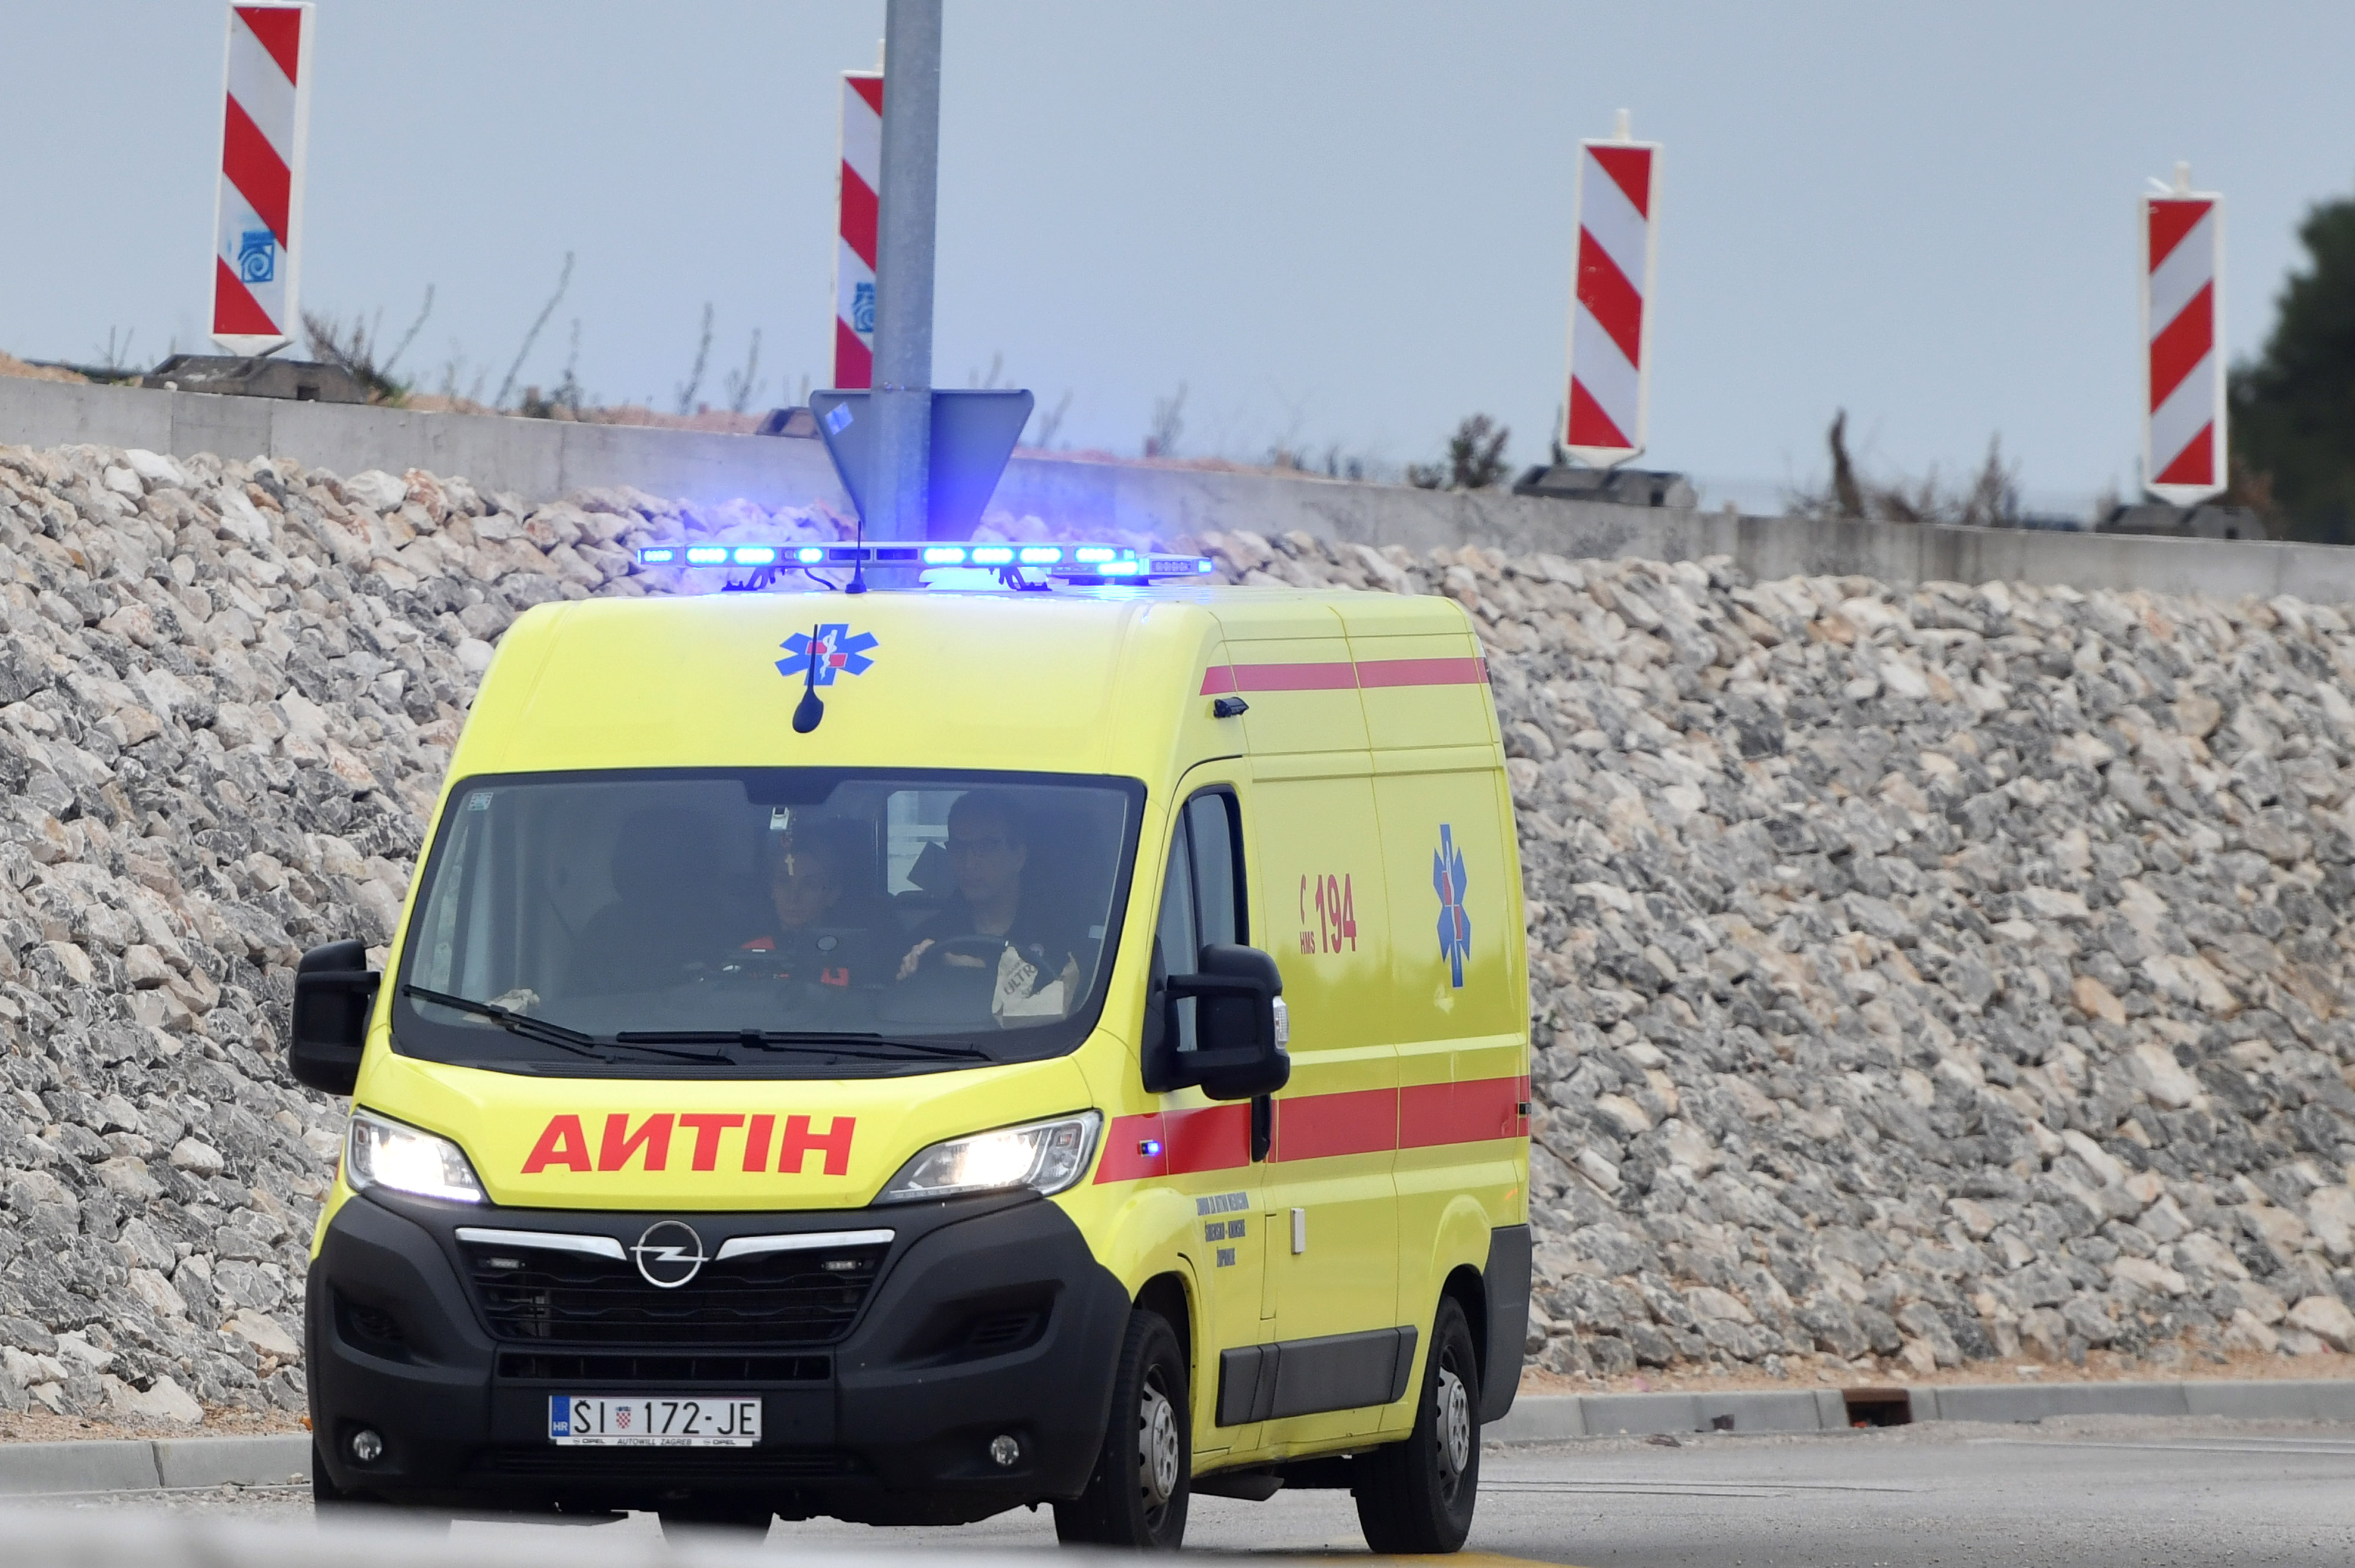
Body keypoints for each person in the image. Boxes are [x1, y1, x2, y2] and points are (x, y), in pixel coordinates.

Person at [896, 790, 1082, 1019]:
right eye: (959, 847)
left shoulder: (1060, 934)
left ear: (1019, 856)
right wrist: (912, 971)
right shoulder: (929, 940)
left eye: (985, 846)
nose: (969, 862)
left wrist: (983, 976)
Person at [739, 821, 873, 988]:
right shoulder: (748, 956)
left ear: (832, 894)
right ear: (771, 890)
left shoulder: (852, 960)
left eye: (809, 885)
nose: (793, 897)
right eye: (783, 882)